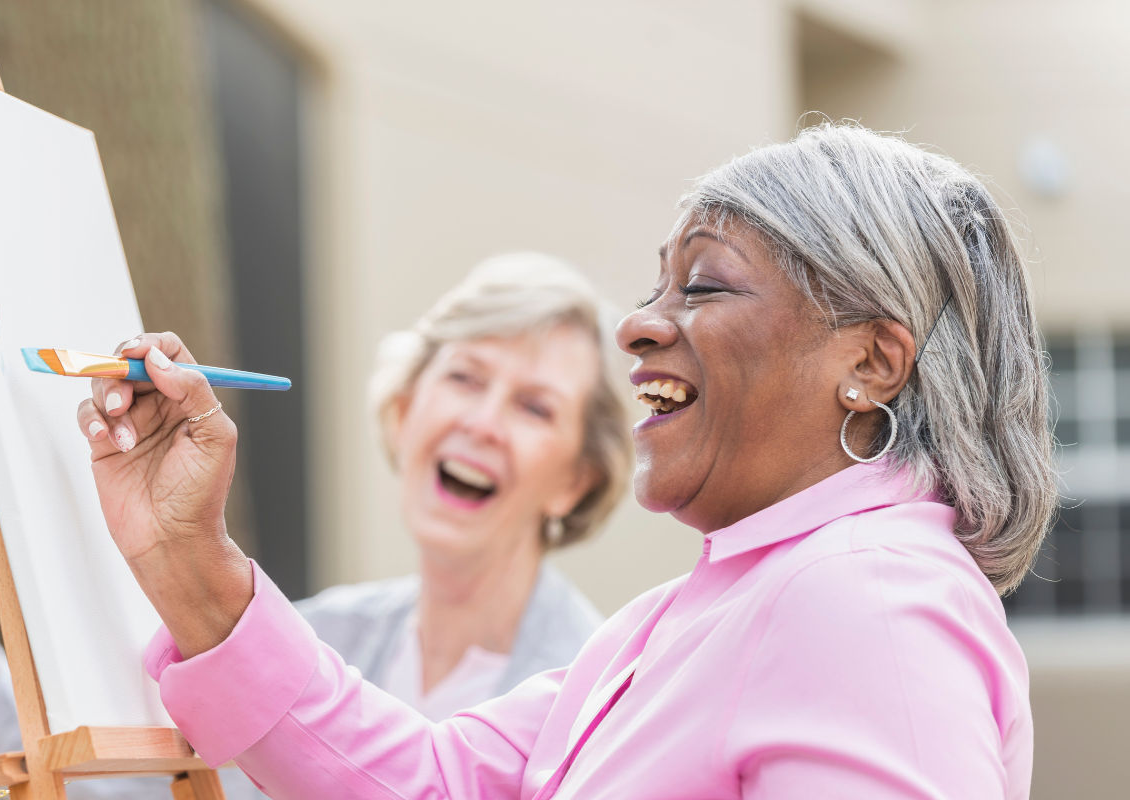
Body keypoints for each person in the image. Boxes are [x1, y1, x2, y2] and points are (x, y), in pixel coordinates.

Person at [76, 123, 1052, 799]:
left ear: (869, 361)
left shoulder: (863, 601)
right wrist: (183, 554)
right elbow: (425, 780)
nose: (636, 324)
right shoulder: (675, 620)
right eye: (654, 283)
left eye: (703, 284)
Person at [0, 254, 632, 795]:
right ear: (405, 408)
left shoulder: (597, 696)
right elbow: (104, 789)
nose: (483, 423)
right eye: (463, 377)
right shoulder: (314, 639)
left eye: (534, 407)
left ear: (577, 477)